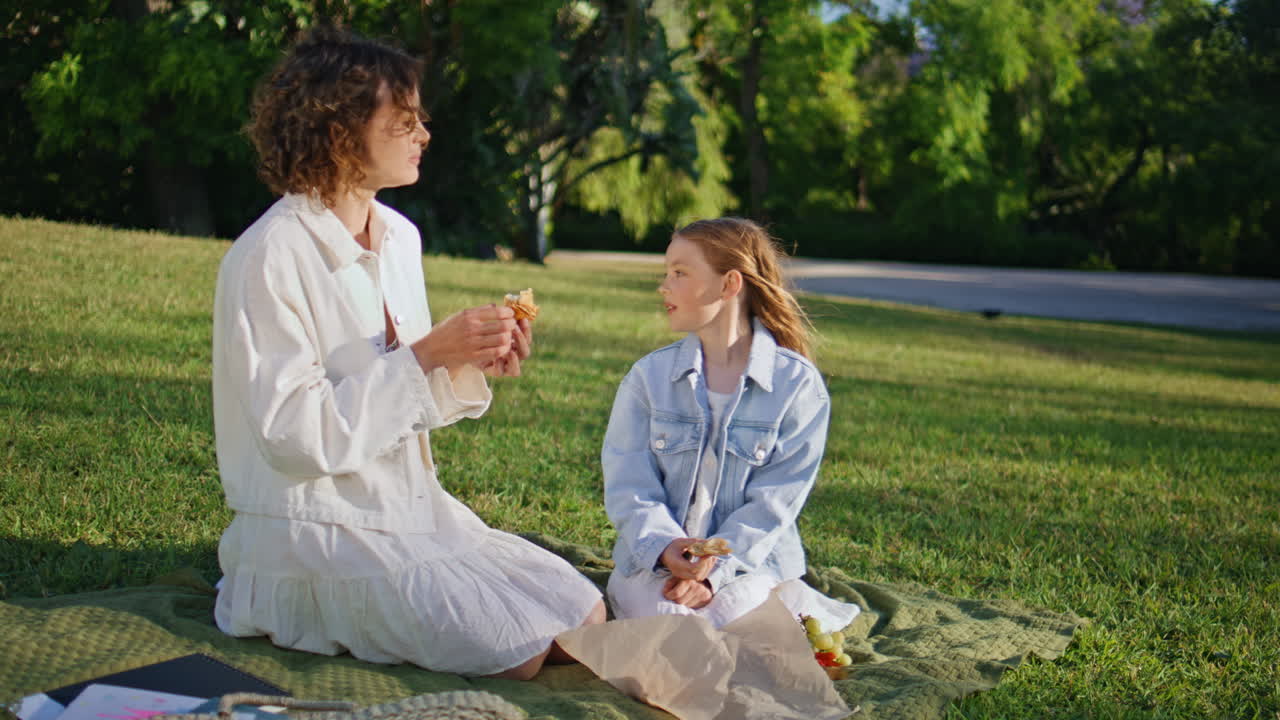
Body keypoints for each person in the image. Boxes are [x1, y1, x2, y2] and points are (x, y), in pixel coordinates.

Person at [211, 27, 604, 680]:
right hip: (314, 533)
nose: (423, 133)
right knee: (519, 652)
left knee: (583, 612)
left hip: (412, 509)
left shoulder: (399, 237)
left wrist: (468, 361)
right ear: (339, 129)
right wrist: (425, 357)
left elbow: (408, 405)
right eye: (404, 120)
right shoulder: (269, 255)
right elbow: (291, 438)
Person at [602, 217, 859, 632]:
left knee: (726, 617)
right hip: (653, 563)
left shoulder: (797, 386)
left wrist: (714, 574)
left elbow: (774, 504)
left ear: (729, 284)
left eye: (680, 273)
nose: (663, 286)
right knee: (669, 622)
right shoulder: (647, 378)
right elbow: (628, 483)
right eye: (666, 272)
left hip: (749, 567)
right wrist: (668, 550)